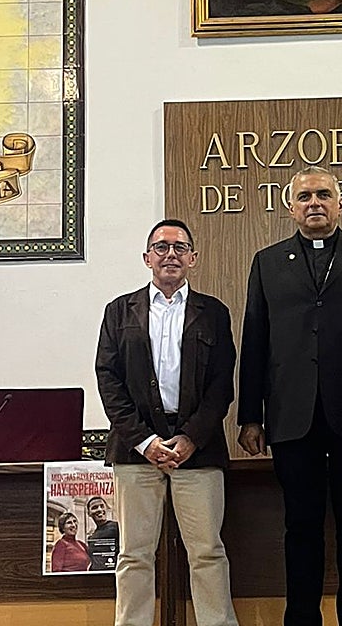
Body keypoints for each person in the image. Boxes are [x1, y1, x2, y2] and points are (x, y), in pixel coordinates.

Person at [239, 166, 342, 626]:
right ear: (291, 207)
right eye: (305, 196)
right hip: (292, 417)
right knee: (301, 527)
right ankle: (301, 620)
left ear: (340, 202)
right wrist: (252, 416)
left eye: (324, 195)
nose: (315, 203)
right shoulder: (267, 262)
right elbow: (255, 341)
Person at [96, 219, 239, 626]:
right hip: (134, 449)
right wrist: (144, 441)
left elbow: (220, 385)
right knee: (134, 553)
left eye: (179, 248)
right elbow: (108, 379)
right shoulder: (119, 311)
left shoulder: (213, 312)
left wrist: (190, 438)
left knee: (207, 551)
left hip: (198, 448)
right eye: (161, 247)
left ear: (193, 258)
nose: (170, 255)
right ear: (147, 258)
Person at [86, 495, 120, 572]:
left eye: (102, 506)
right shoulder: (92, 537)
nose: (99, 509)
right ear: (89, 513)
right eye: (94, 507)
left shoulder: (117, 527)